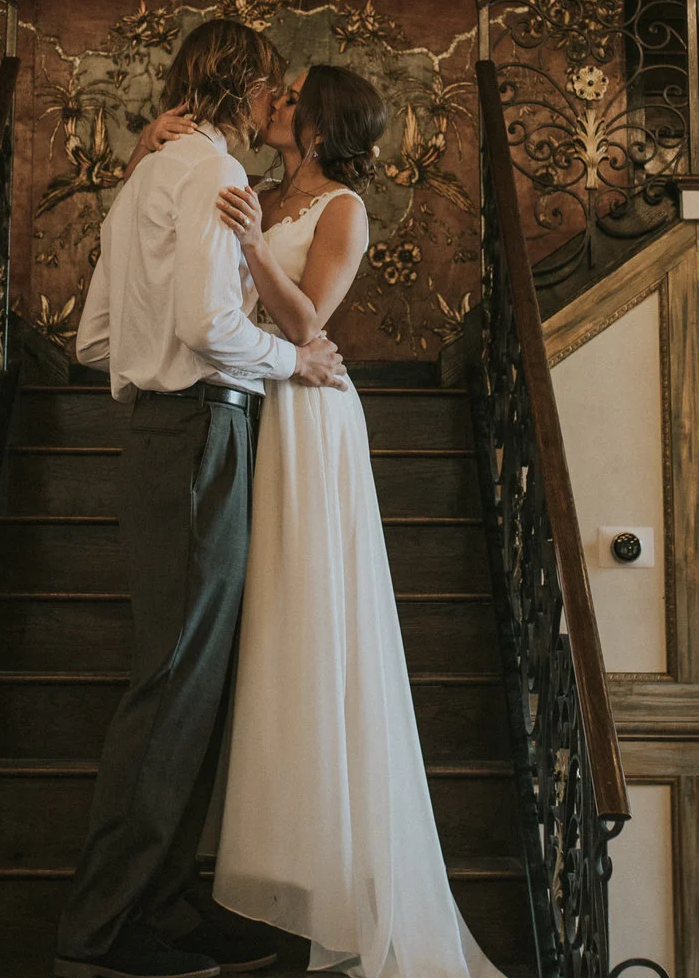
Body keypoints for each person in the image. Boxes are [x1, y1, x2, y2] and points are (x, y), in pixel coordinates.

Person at [59, 20, 351, 978]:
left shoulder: (148, 172)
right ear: (246, 86)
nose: (283, 107)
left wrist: (173, 366)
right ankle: (102, 934)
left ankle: (168, 903)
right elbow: (207, 320)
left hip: (161, 431)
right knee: (178, 683)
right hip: (199, 432)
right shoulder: (213, 170)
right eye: (274, 89)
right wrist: (292, 359)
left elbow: (95, 341)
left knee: (188, 681)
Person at [210, 65, 504, 978]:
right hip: (252, 398)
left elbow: (311, 323)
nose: (275, 102)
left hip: (310, 416)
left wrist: (259, 253)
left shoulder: (342, 208)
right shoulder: (255, 190)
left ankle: (354, 894)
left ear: (320, 120)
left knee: (312, 615)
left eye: (290, 94)